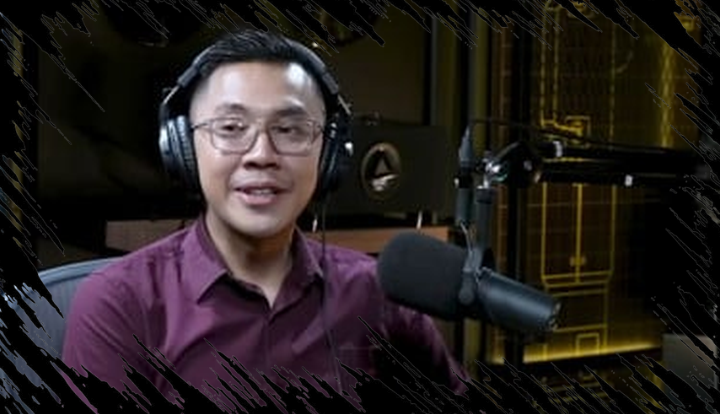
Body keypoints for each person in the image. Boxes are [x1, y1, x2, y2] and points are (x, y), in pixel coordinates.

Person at [61, 28, 468, 410]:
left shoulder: (377, 295)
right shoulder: (119, 304)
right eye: (231, 127)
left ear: (330, 154)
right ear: (183, 147)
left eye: (290, 130)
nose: (261, 155)